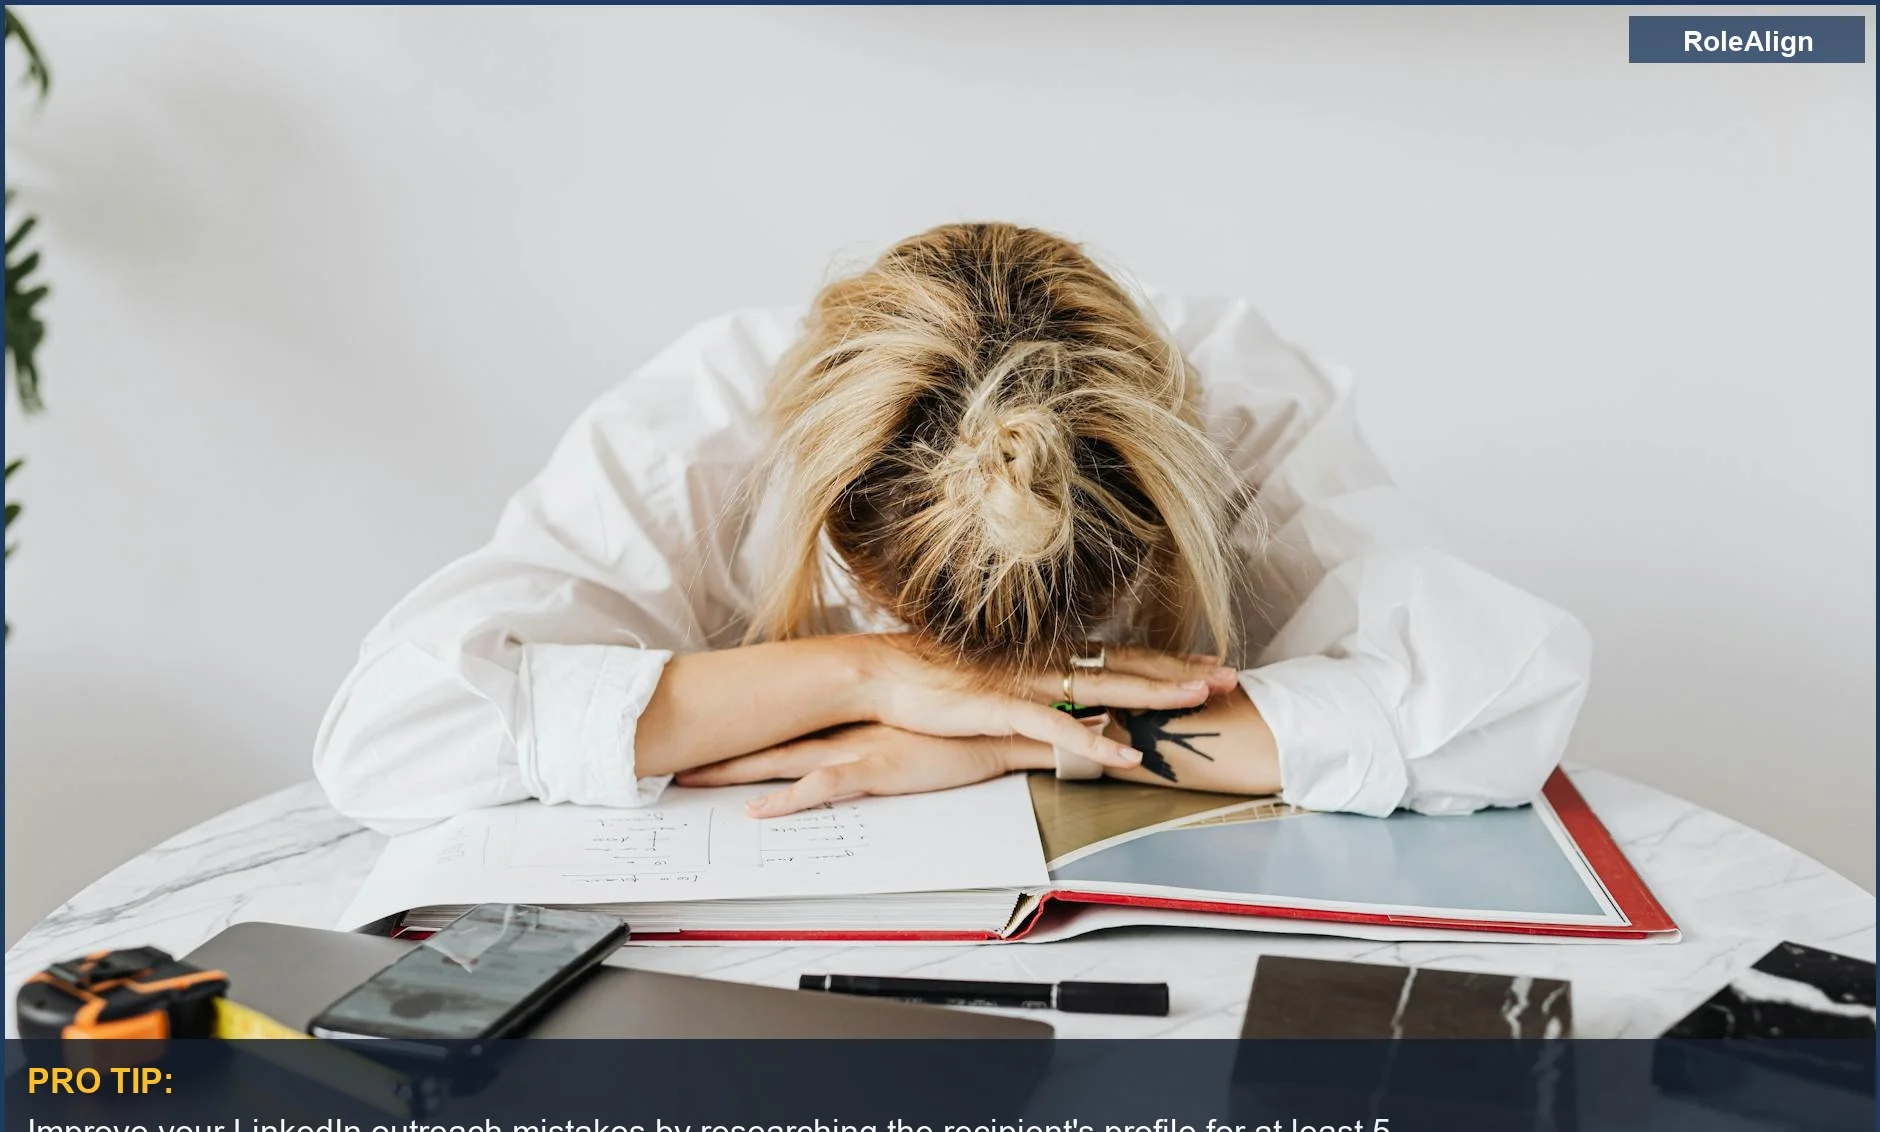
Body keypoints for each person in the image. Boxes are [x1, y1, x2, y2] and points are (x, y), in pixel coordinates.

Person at [314, 223, 1590, 831]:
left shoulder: (1230, 404)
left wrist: (1023, 734)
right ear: (827, 513)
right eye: (920, 637)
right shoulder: (703, 419)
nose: (975, 687)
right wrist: (867, 675)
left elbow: (1499, 702)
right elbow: (390, 736)